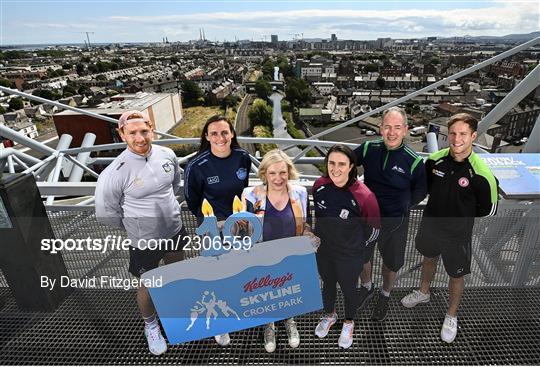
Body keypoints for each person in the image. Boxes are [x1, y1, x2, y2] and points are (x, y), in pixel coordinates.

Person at [401, 113, 499, 343]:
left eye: (463, 134)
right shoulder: (434, 161)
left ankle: (451, 314)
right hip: (431, 226)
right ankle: (424, 293)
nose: (456, 139)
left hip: (457, 235)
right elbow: (422, 189)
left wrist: (461, 216)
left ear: (473, 136)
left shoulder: (482, 174)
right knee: (428, 259)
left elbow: (488, 210)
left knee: (456, 275)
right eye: (453, 133)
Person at [95, 110, 186, 356]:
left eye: (144, 131)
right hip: (143, 241)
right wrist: (134, 227)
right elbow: (107, 213)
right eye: (132, 132)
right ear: (122, 134)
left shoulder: (167, 154)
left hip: (175, 230)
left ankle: (174, 314)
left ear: (152, 129)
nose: (140, 138)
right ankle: (151, 325)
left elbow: (174, 186)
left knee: (176, 274)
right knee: (148, 284)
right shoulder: (115, 172)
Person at [241, 149, 319, 353]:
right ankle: (269, 326)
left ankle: (289, 320)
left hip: (291, 253)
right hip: (262, 253)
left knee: (289, 290)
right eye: (272, 173)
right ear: (264, 173)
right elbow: (244, 228)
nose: (278, 178)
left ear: (289, 172)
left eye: (282, 172)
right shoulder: (250, 195)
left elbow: (307, 224)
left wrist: (309, 235)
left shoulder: (300, 193)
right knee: (267, 292)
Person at [353, 107, 427, 321]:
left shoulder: (413, 160)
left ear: (405, 130)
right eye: (387, 127)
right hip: (367, 218)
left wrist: (403, 205)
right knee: (362, 257)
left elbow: (420, 190)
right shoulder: (368, 148)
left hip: (395, 222)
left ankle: (385, 294)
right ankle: (367, 287)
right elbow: (344, 163)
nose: (391, 132)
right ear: (380, 128)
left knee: (391, 263)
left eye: (397, 127)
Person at [183, 115, 251, 346]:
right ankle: (219, 325)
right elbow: (192, 200)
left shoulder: (243, 157)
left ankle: (238, 310)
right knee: (215, 273)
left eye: (225, 132)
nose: (220, 138)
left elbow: (245, 189)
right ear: (206, 136)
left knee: (239, 269)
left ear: (232, 134)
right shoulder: (197, 165)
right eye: (214, 133)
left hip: (239, 224)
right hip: (212, 225)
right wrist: (210, 222)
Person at [312, 144, 380, 349]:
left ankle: (349, 322)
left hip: (350, 255)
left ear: (351, 166)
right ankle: (330, 315)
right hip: (324, 252)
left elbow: (375, 230)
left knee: (349, 290)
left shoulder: (364, 196)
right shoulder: (319, 186)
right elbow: (319, 218)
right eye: (331, 163)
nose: (335, 168)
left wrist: (360, 253)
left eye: (342, 164)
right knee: (328, 285)